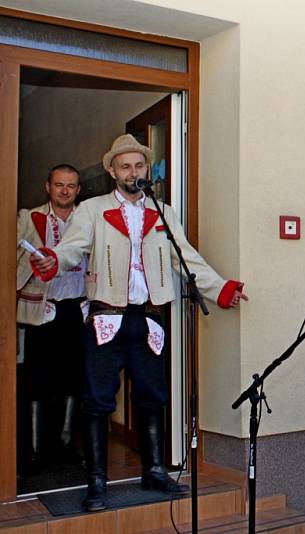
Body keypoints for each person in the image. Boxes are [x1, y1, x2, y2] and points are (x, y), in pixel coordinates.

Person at [30, 134, 248, 512]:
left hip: (149, 318)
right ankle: (97, 482)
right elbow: (72, 248)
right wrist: (52, 259)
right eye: (126, 166)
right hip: (105, 316)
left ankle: (154, 471)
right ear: (112, 171)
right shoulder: (93, 210)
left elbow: (186, 258)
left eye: (139, 165)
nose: (133, 172)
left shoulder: (163, 211)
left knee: (153, 396)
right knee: (98, 402)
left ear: (147, 170)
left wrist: (221, 288)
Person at [17, 164, 87, 469]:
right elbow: (12, 257)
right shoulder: (28, 217)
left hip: (76, 308)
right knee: (37, 379)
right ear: (48, 186)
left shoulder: (87, 218)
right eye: (59, 184)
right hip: (42, 309)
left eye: (71, 185)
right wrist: (30, 260)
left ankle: (65, 447)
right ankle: (34, 452)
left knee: (73, 379)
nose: (65, 191)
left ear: (78, 189)